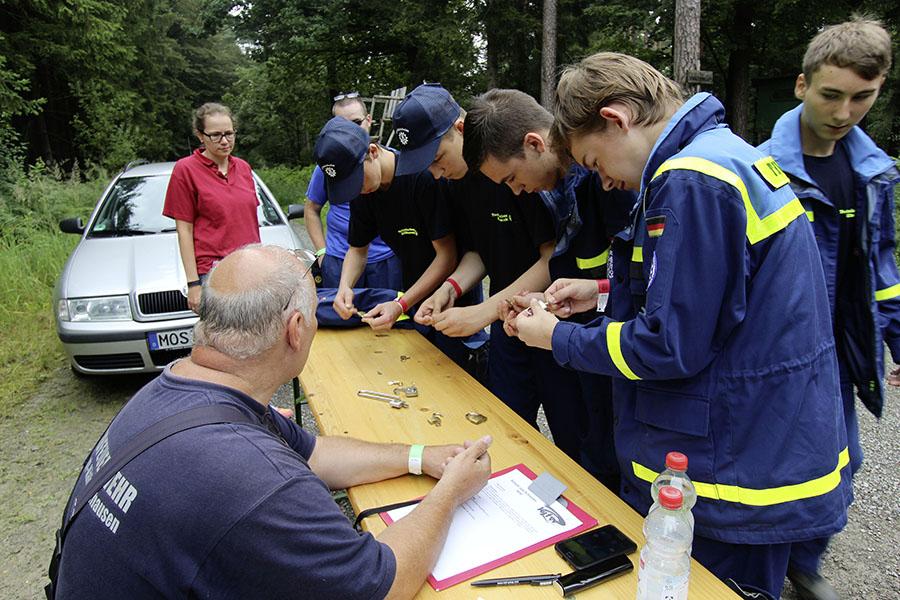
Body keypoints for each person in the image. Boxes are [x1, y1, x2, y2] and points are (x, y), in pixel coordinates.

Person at [513, 52, 851, 599]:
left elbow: (669, 346)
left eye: (595, 162)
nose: (605, 181)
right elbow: (719, 292)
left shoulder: (692, 179)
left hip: (732, 471)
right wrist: (600, 294)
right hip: (761, 443)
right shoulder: (721, 154)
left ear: (617, 118)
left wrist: (555, 337)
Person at [52, 244, 492, 599]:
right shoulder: (258, 479)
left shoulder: (182, 390)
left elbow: (315, 452)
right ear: (295, 328)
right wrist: (451, 490)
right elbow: (381, 585)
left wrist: (421, 457)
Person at [758, 17, 898, 600]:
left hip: (844, 351)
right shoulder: (760, 167)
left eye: (862, 97)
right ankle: (763, 568)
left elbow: (882, 269)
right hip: (779, 354)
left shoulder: (875, 172)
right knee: (774, 472)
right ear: (801, 85)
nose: (845, 112)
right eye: (831, 95)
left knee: (843, 466)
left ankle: (805, 564)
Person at [393, 84, 584, 460]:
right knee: (505, 426)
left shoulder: (515, 168)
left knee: (572, 435)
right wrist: (449, 288)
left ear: (461, 130)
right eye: (426, 165)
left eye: (437, 156)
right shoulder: (452, 184)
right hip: (506, 324)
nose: (435, 172)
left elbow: (552, 259)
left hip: (549, 317)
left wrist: (482, 312)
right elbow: (477, 249)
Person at [461, 87, 636, 489]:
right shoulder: (563, 186)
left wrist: (596, 294)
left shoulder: (607, 179)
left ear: (535, 143)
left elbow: (642, 292)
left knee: (606, 465)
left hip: (615, 362)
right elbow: (597, 280)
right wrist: (547, 301)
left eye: (511, 178)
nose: (515, 191)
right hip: (581, 348)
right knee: (580, 455)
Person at [163, 102, 260, 312]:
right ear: (200, 136)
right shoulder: (185, 170)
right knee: (224, 340)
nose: (224, 141)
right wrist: (193, 284)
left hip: (251, 269)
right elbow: (184, 230)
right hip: (215, 274)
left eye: (229, 133)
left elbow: (249, 222)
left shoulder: (243, 168)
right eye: (215, 135)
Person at [305, 92, 401, 289]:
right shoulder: (328, 166)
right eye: (342, 123)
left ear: (368, 120)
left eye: (356, 122)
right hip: (340, 258)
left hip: (385, 259)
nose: (349, 130)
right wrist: (322, 252)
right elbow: (311, 208)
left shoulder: (396, 163)